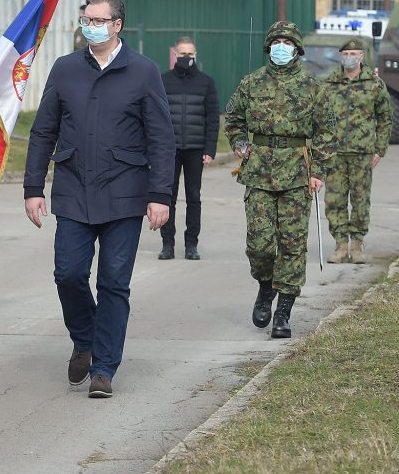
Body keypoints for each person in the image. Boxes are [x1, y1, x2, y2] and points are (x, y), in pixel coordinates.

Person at [23, 0, 174, 399]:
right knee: (68, 274)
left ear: (117, 25)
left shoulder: (143, 71)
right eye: (86, 19)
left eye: (98, 20)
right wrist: (33, 188)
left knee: (113, 283)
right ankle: (85, 339)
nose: (90, 26)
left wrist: (160, 194)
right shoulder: (66, 68)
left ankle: (104, 368)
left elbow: (161, 138)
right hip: (74, 190)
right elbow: (43, 131)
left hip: (125, 193)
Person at [224, 21, 335, 340]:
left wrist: (318, 171)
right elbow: (233, 118)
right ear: (268, 47)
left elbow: (327, 131)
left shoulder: (313, 88)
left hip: (297, 172)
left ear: (297, 49)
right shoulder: (252, 83)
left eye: (287, 43)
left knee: (292, 244)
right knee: (259, 244)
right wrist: (239, 143)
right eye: (276, 42)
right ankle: (265, 286)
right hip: (259, 170)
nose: (281, 47)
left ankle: (283, 312)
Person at [321, 38, 389, 263]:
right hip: (335, 153)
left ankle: (357, 245)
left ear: (361, 56)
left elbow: (385, 118)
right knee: (334, 200)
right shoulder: (329, 83)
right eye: (346, 54)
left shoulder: (374, 84)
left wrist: (379, 149)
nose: (349, 57)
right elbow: (319, 118)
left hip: (362, 153)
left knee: (360, 200)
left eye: (354, 54)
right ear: (340, 56)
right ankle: (341, 245)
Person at [158, 36, 219, 261]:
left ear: (196, 55)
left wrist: (209, 149)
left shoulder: (206, 82)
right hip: (169, 150)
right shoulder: (163, 80)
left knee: (193, 197)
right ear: (175, 54)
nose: (186, 57)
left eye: (190, 54)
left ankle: (191, 245)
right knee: (168, 197)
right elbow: (155, 116)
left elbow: (213, 118)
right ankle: (168, 244)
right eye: (182, 54)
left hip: (195, 149)